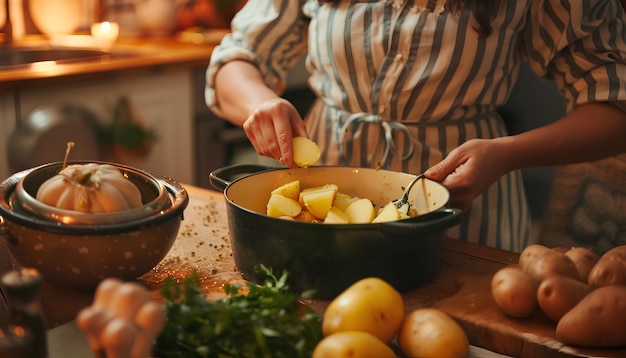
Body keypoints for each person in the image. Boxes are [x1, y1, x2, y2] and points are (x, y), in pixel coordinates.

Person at [205, 0, 626, 252]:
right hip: (321, 216)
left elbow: (615, 106)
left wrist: (507, 153)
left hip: (467, 215)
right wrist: (259, 102)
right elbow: (236, 58)